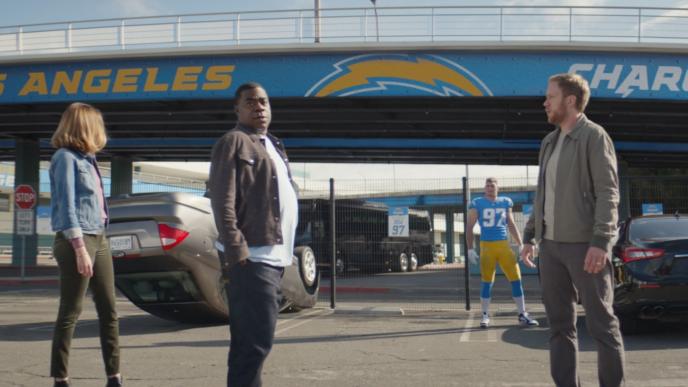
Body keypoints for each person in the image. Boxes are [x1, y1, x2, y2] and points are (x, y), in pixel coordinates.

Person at [521, 73, 625, 387]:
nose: (545, 103)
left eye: (550, 97)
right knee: (559, 326)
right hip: (550, 248)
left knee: (602, 325)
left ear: (570, 100)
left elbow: (608, 192)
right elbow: (542, 195)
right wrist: (529, 236)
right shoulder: (548, 142)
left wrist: (600, 241)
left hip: (584, 246)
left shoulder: (594, 136)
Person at [208, 82, 298, 387]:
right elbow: (222, 200)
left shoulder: (273, 144)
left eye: (264, 101)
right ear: (237, 109)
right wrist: (237, 249)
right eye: (250, 102)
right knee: (254, 342)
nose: (259, 107)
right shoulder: (232, 142)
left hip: (273, 256)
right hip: (252, 256)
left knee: (254, 341)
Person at [49, 102, 122, 387]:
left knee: (110, 310)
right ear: (85, 126)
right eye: (97, 124)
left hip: (99, 237)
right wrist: (80, 248)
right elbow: (67, 206)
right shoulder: (65, 158)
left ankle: (114, 377)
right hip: (75, 241)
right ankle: (61, 378)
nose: (101, 130)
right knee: (71, 311)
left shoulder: (89, 159)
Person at [466, 177, 539, 329]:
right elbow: (469, 226)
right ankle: (485, 315)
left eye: (492, 186)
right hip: (487, 246)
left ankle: (522, 314)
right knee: (487, 281)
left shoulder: (505, 201)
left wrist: (520, 244)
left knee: (516, 278)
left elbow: (511, 223)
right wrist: (470, 248)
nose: (490, 188)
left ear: (497, 188)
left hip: (503, 246)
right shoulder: (477, 203)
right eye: (487, 186)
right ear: (484, 188)